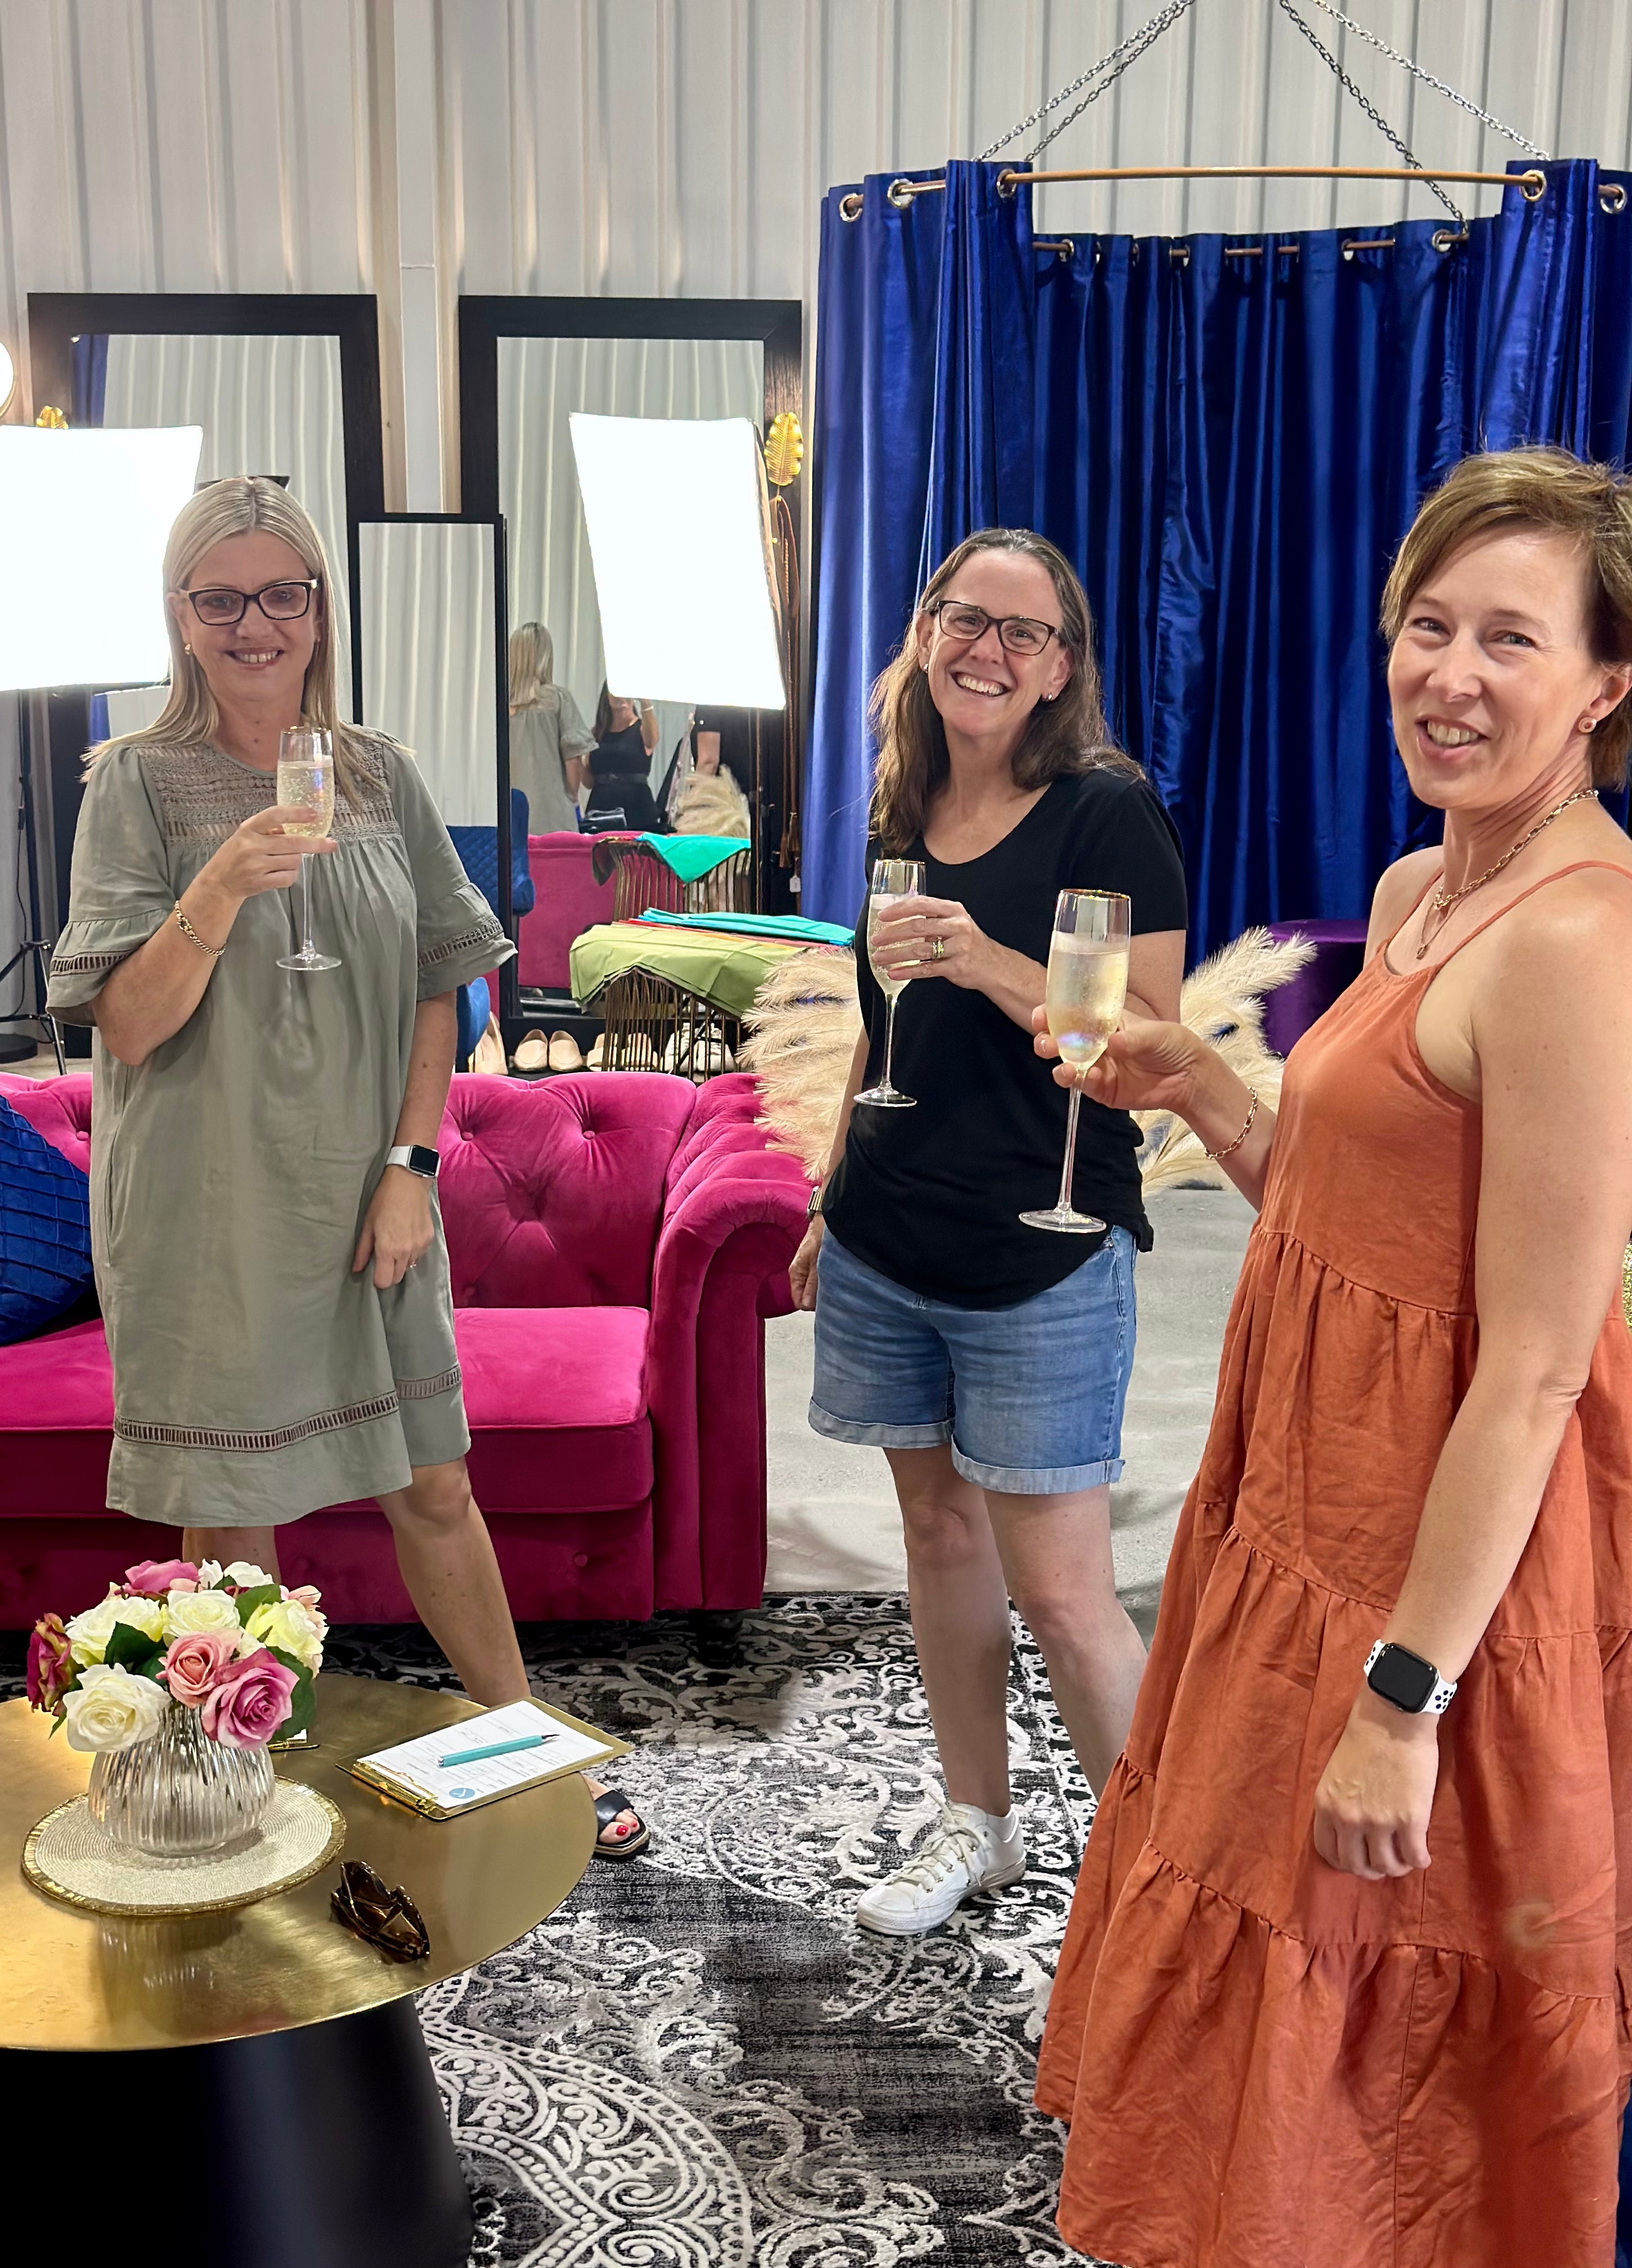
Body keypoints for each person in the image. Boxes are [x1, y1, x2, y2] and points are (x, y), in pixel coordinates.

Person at [1034, 446, 1632, 2265]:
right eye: (1427, 625)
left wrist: (1401, 1706)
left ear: (1606, 685)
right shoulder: (1412, 890)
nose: (1450, 672)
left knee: (1384, 2017)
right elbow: (1350, 1223)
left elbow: (1530, 1364)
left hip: (1444, 1579)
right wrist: (1207, 1087)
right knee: (1276, 1978)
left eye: (1509, 639)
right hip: (1301, 1506)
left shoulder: (1580, 941)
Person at [46, 476, 647, 1859]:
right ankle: (236, 1792)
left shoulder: (373, 770)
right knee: (234, 1516)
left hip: (370, 1195)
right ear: (183, 620)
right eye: (222, 598)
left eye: (283, 593)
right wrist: (215, 892)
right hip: (207, 1211)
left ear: (321, 608)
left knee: (435, 1483)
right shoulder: (133, 784)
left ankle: (525, 1740)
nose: (256, 622)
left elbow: (445, 977)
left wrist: (413, 1162)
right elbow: (127, 1023)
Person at [787, 528, 1188, 1935]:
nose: (989, 650)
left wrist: (989, 957)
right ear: (924, 630)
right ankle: (979, 1822)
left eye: (1025, 634)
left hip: (1042, 1251)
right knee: (936, 1532)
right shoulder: (901, 801)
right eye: (968, 619)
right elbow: (879, 1027)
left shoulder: (1105, 813)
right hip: (889, 1237)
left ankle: (1155, 1901)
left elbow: (1145, 1051)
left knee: (1069, 1596)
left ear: (1060, 668)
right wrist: (836, 1185)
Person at [507, 622, 595, 834]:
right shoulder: (558, 699)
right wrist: (572, 796)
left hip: (512, 816)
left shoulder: (503, 705)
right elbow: (574, 758)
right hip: (553, 814)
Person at [584, 684, 662, 830]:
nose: (620, 695)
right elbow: (588, 782)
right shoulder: (597, 733)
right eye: (615, 690)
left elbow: (652, 741)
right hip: (601, 807)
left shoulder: (642, 728)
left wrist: (645, 702)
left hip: (637, 807)